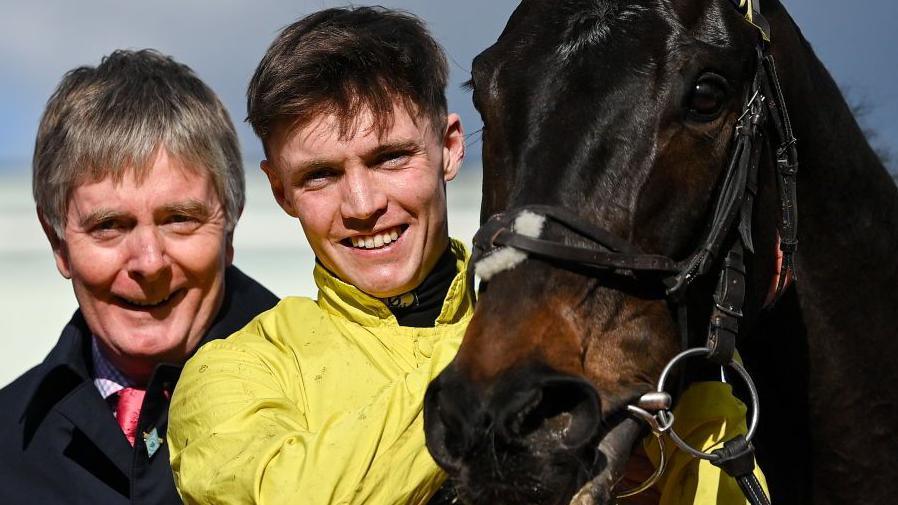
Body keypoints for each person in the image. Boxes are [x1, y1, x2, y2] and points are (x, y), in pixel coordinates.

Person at [169, 7, 766, 505]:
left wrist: (692, 423)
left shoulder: (621, 331)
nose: (362, 204)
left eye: (389, 158)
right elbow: (289, 495)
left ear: (451, 149)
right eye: (321, 176)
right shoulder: (235, 372)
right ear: (280, 192)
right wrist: (522, 347)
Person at [0, 49, 278, 504]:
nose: (149, 262)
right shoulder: (8, 445)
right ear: (57, 242)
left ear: (230, 227)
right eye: (109, 225)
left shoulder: (339, 401)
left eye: (180, 219)